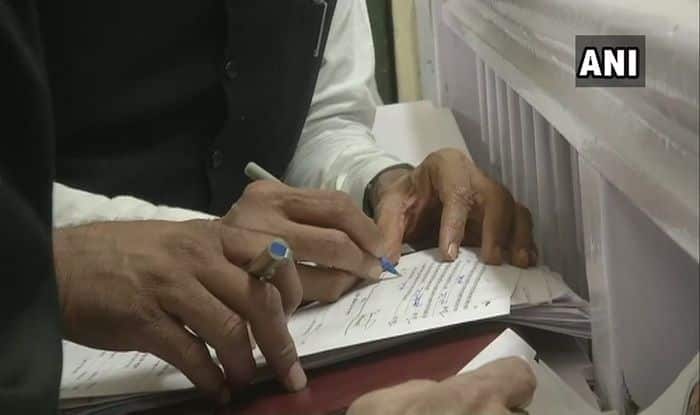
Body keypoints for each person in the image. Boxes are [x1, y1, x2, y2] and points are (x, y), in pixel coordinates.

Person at [0, 0, 537, 413]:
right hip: (57, 354)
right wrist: (63, 257)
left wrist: (380, 184)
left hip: (280, 350)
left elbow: (321, 116)